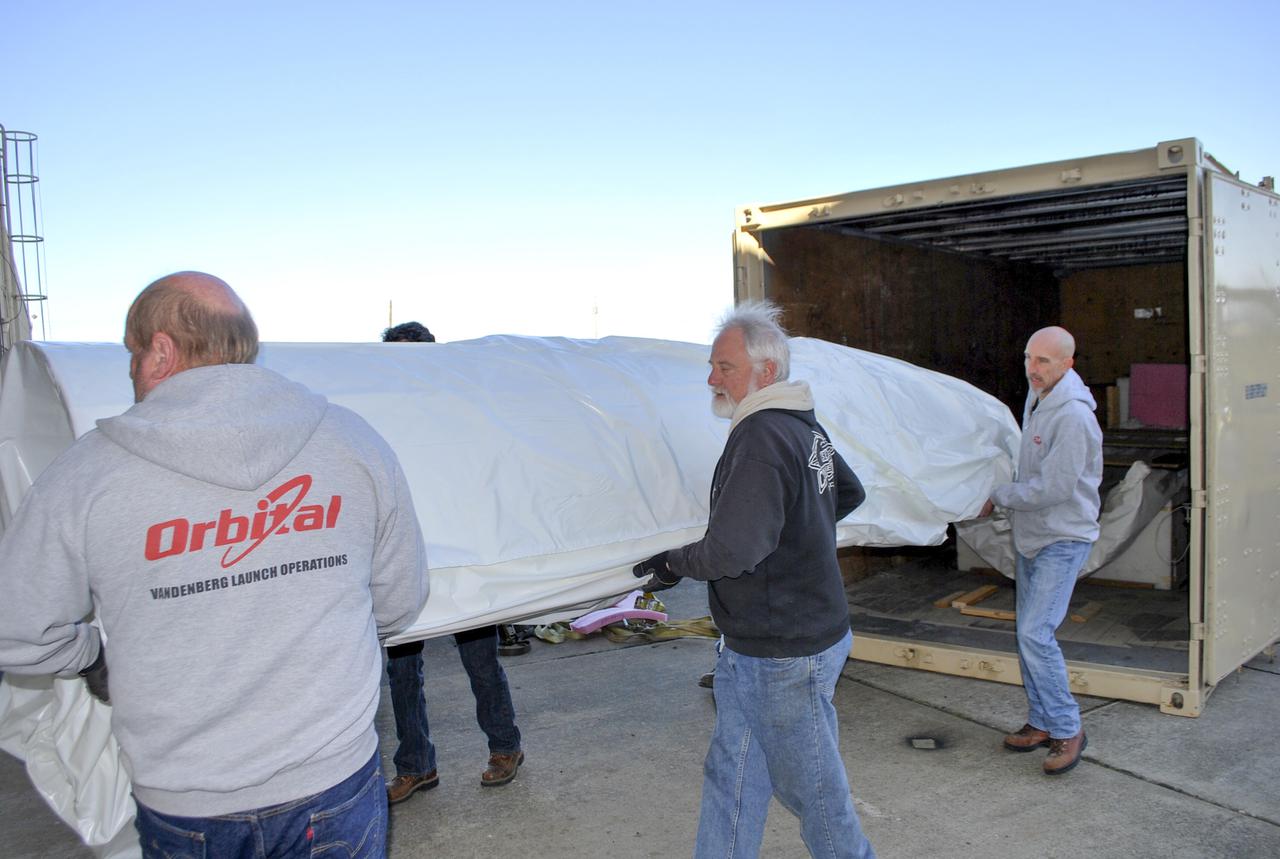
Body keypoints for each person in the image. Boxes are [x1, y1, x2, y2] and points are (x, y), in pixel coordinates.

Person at [0, 272, 428, 857]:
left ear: (161, 350)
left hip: (188, 799)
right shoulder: (352, 443)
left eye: (132, 353)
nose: (130, 370)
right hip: (332, 778)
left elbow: (16, 632)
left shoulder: (85, 476)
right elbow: (400, 599)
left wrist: (94, 655)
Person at [633, 301, 875, 859]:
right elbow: (848, 493)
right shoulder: (799, 424)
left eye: (725, 366)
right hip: (759, 643)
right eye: (713, 365)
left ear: (765, 372)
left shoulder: (763, 434)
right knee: (733, 776)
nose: (712, 378)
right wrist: (799, 536)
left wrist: (673, 564)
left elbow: (735, 549)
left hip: (784, 651)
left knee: (813, 794)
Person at [380, 321, 525, 804]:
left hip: (462, 564)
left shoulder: (457, 417)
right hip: (406, 560)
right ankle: (416, 766)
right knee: (401, 673)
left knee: (481, 662)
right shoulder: (381, 421)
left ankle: (505, 747)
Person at [979, 325, 1102, 776]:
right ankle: (1042, 721)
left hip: (1061, 538)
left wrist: (1000, 495)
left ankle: (1069, 730)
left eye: (1044, 361)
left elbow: (1054, 488)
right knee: (1028, 634)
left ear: (1068, 363)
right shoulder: (1039, 397)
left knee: (1035, 633)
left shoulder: (1072, 417)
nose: (1032, 368)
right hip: (1033, 535)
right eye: (1029, 358)